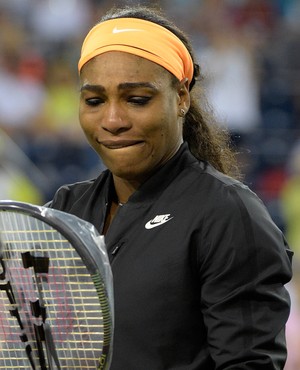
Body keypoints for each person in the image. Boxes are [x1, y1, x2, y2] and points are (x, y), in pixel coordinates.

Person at [46, 5, 293, 370]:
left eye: (137, 99)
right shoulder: (66, 209)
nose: (112, 120)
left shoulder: (227, 214)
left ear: (181, 97)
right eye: (95, 101)